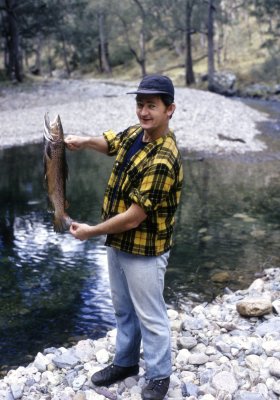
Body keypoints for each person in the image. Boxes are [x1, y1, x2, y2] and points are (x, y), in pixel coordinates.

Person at [65, 74, 183, 400]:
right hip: (119, 243)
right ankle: (126, 362)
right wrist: (85, 141)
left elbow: (134, 218)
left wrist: (91, 231)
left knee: (151, 315)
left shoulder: (164, 157)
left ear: (169, 109)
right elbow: (112, 142)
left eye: (152, 106)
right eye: (141, 105)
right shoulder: (137, 134)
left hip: (144, 249)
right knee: (122, 310)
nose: (144, 112)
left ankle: (159, 376)